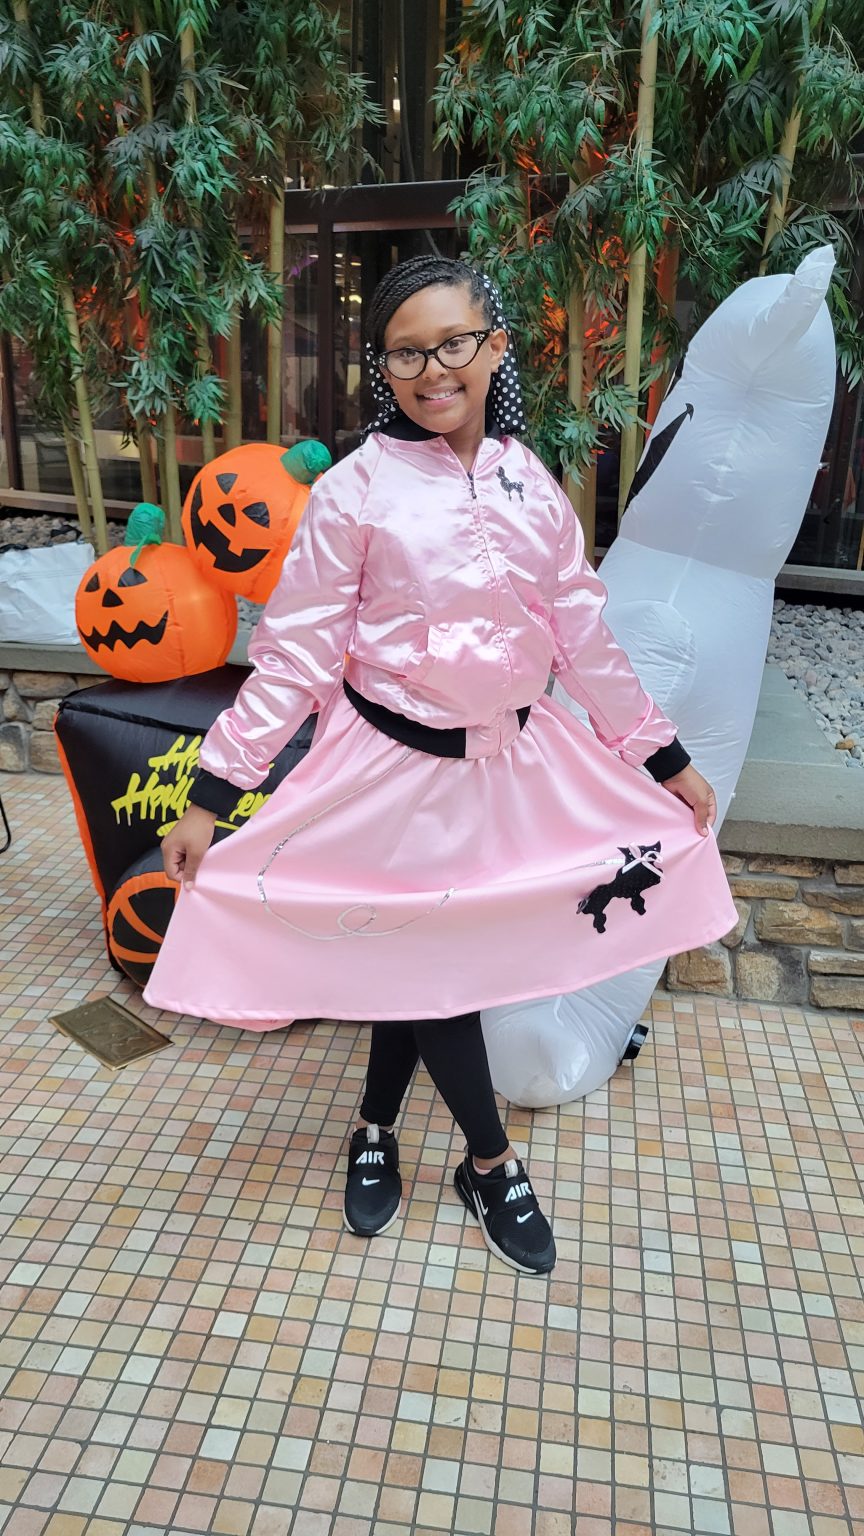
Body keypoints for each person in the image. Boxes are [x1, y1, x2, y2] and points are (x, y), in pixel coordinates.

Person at [144, 257, 736, 1277]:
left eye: (454, 343)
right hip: (392, 773)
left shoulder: (531, 483)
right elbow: (295, 655)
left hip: (517, 765)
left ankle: (374, 1126)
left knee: (425, 958)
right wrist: (213, 793)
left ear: (495, 346)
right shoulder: (355, 492)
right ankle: (490, 1160)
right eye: (407, 353)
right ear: (383, 368)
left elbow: (583, 639)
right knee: (435, 965)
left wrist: (662, 753)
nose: (434, 370)